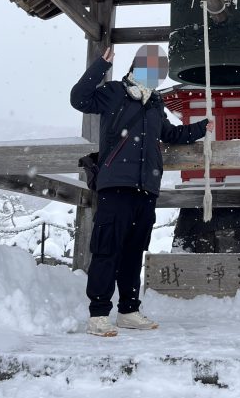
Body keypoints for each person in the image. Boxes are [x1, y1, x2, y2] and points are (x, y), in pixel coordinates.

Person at [70, 45, 213, 337]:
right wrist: (100, 66)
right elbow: (79, 98)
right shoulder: (113, 92)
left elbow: (171, 134)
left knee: (133, 252)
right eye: (151, 68)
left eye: (159, 71)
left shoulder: (155, 103)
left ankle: (128, 311)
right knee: (107, 250)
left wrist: (201, 127)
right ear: (136, 66)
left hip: (146, 189)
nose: (155, 75)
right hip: (115, 186)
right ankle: (98, 314)